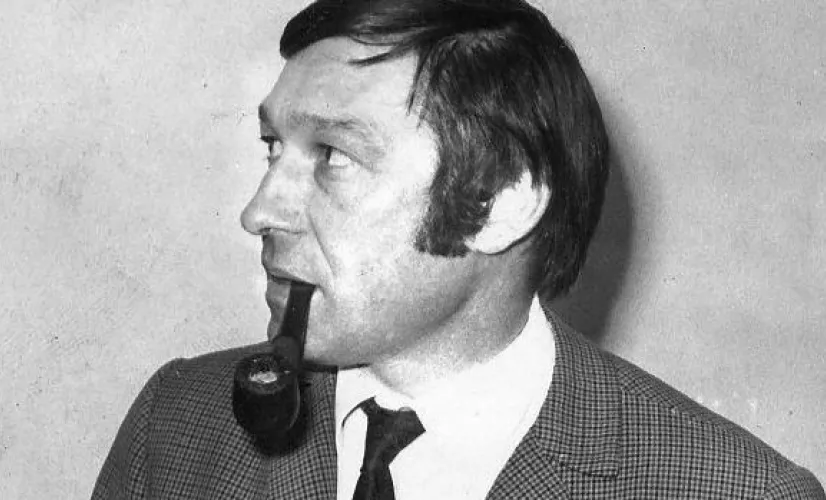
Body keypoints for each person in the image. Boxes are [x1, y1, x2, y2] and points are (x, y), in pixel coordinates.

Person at [92, 0, 825, 498]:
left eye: (334, 156)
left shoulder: (736, 490)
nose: (258, 213)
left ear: (502, 201)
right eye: (272, 147)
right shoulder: (176, 424)